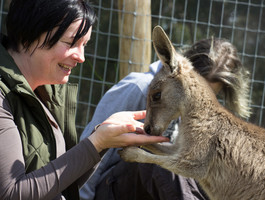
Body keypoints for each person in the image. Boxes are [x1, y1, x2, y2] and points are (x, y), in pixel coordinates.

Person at [0, 1, 169, 199]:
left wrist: (102, 140)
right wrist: (95, 143)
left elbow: (57, 184)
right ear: (28, 34)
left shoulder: (46, 92)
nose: (81, 57)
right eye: (71, 43)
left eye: (84, 45)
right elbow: (12, 193)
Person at [79, 38, 252, 199]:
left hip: (152, 190)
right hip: (109, 190)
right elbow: (91, 147)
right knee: (156, 157)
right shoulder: (139, 88)